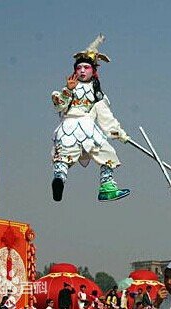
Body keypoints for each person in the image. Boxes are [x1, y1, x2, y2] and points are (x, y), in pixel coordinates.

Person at [51, 34, 130, 202]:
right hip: (71, 126)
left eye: (86, 67)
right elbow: (59, 105)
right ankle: (59, 180)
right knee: (66, 155)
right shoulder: (70, 88)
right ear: (74, 70)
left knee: (106, 153)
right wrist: (68, 89)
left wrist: (119, 134)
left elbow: (105, 116)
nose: (81, 71)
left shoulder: (96, 92)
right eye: (79, 68)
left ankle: (106, 188)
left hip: (86, 128)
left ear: (93, 71)